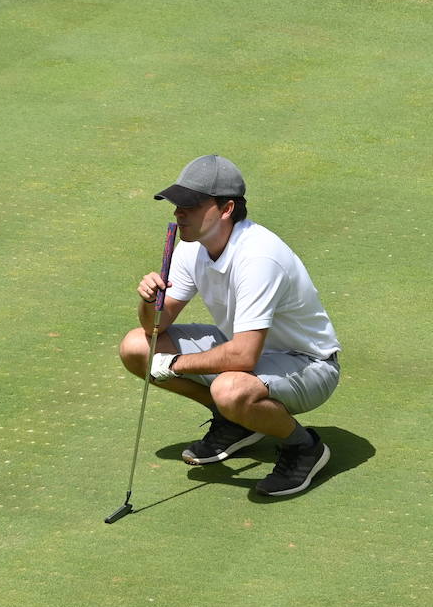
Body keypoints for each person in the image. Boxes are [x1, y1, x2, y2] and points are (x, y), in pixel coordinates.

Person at [119, 155, 341, 497]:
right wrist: (150, 302)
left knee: (230, 389)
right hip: (244, 349)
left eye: (190, 205)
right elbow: (155, 328)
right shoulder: (190, 248)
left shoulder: (258, 257)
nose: (178, 213)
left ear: (227, 209)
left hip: (308, 364)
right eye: (177, 204)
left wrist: (173, 364)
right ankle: (235, 421)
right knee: (137, 348)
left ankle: (303, 446)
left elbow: (244, 357)